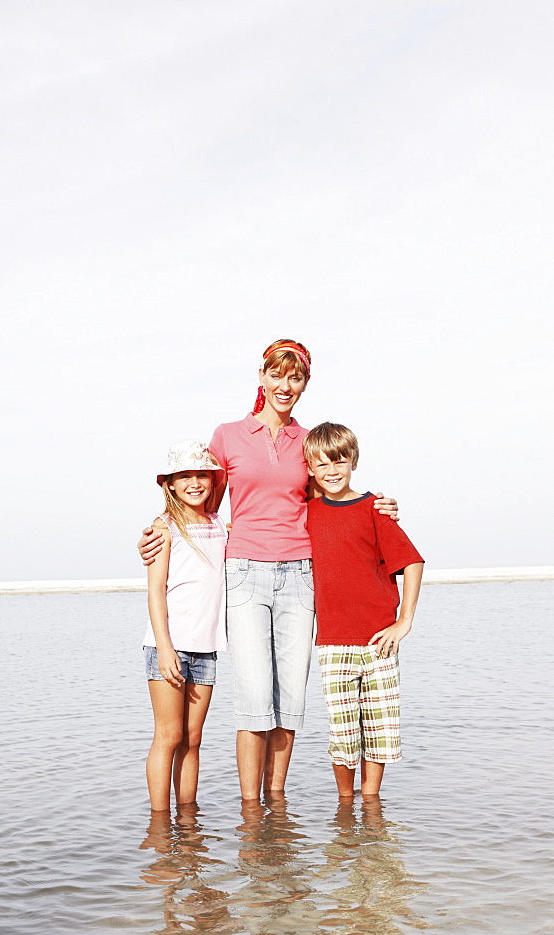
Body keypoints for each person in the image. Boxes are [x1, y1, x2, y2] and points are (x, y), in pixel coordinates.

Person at [138, 339, 399, 801]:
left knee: (291, 701)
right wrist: (159, 528)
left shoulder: (307, 440)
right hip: (243, 574)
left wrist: (378, 507)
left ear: (304, 384)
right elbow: (202, 507)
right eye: (276, 376)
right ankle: (251, 807)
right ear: (261, 377)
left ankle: (276, 800)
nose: (285, 386)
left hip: (301, 574)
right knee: (255, 697)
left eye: (295, 378)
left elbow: (332, 497)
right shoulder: (228, 435)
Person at [303, 422, 424, 798]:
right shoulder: (306, 513)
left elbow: (413, 562)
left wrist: (404, 621)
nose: (332, 471)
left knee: (380, 729)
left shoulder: (374, 508)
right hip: (333, 643)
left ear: (353, 460)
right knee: (342, 730)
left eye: (339, 461)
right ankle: (345, 802)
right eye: (322, 465)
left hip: (378, 640)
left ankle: (371, 803)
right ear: (310, 469)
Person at [143, 440, 227, 811]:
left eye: (201, 475)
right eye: (185, 476)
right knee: (169, 735)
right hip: (169, 647)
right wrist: (164, 648)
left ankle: (188, 818)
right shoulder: (164, 527)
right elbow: (155, 593)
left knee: (193, 738)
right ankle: (160, 821)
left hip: (206, 647)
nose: (194, 482)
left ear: (212, 480)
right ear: (171, 484)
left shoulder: (219, 525)